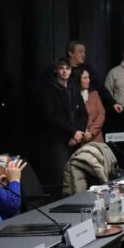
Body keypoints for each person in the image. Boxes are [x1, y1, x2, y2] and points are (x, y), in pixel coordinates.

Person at [40, 59, 83, 189]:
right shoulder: (49, 89)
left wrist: (79, 133)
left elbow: (83, 113)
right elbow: (51, 117)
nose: (65, 71)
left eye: (67, 68)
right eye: (61, 68)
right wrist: (73, 132)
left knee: (78, 174)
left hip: (76, 139)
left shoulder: (74, 88)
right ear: (56, 70)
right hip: (58, 139)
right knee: (60, 175)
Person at [65, 40, 116, 110]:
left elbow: (100, 87)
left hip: (87, 108)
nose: (83, 55)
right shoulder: (63, 69)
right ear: (70, 53)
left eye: (84, 52)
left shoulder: (88, 69)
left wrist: (113, 103)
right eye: (80, 52)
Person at [73, 67, 105, 144]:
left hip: (95, 137)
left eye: (88, 77)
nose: (89, 80)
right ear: (78, 79)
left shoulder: (94, 94)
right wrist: (83, 131)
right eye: (85, 78)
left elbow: (101, 114)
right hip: (78, 139)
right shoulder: (71, 96)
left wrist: (91, 132)